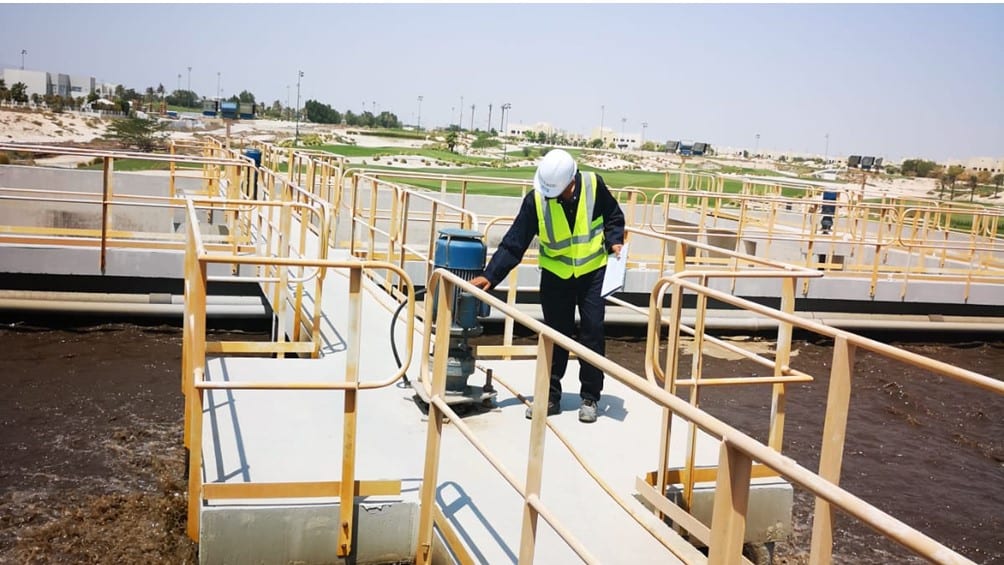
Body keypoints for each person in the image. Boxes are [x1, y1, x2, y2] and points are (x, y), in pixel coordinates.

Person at [470, 149, 624, 423]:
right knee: (553, 335)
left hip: (592, 272)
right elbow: (514, 241)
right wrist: (491, 276)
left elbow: (614, 216)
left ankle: (590, 396)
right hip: (556, 275)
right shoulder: (537, 200)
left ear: (570, 182)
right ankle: (549, 395)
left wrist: (615, 241)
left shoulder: (593, 184)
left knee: (593, 332)